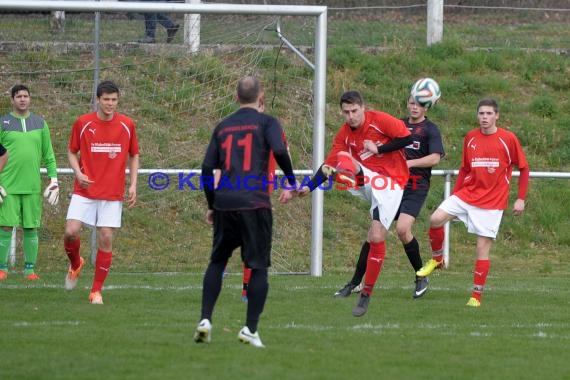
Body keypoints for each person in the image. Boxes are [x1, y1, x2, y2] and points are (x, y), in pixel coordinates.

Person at [194, 75, 297, 348]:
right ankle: (250, 329)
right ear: (260, 96)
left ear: (237, 97)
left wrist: (211, 204)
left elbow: (206, 170)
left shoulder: (223, 126)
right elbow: (279, 149)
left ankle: (205, 320)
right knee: (258, 266)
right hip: (255, 203)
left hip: (225, 203)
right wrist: (291, 179)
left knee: (217, 261)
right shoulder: (268, 122)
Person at [299, 90, 413, 317]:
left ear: (363, 108)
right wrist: (307, 187)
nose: (350, 116)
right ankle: (351, 174)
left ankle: (365, 294)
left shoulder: (380, 120)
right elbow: (327, 164)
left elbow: (407, 138)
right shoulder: (343, 134)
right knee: (341, 159)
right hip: (368, 181)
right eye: (346, 112)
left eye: (354, 111)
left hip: (390, 182)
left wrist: (378, 148)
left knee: (376, 237)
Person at [415, 98, 529, 307]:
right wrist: (456, 194)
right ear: (477, 116)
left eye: (488, 114)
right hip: (467, 194)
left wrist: (520, 198)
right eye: (481, 114)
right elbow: (466, 168)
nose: (484, 117)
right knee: (435, 219)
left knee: (481, 249)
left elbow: (524, 168)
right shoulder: (470, 138)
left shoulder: (508, 139)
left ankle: (476, 296)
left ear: (497, 116)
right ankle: (438, 259)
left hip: (492, 202)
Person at [334, 94, 445, 299]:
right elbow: (378, 148)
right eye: (411, 103)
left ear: (427, 107)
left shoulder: (430, 129)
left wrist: (409, 164)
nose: (414, 107)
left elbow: (435, 158)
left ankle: (421, 275)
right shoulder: (397, 124)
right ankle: (355, 283)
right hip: (388, 184)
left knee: (403, 229)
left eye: (419, 104)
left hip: (414, 185)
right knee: (374, 236)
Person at [63, 80, 140, 305]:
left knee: (106, 237)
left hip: (112, 192)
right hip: (85, 190)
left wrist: (133, 184)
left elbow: (134, 154)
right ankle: (76, 263)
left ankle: (96, 291)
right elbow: (71, 152)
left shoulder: (127, 124)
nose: (110, 104)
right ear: (97, 99)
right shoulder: (83, 123)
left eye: (114, 100)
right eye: (106, 99)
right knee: (70, 232)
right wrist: (78, 172)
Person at [0, 84, 58, 281]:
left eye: (25, 96)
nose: (22, 99)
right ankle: (2, 268)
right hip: (7, 186)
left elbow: (48, 155)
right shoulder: (3, 122)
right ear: (12, 100)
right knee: (5, 226)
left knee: (31, 227)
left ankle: (29, 270)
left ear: (30, 99)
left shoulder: (40, 123)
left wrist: (54, 179)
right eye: (18, 96)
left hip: (32, 186)